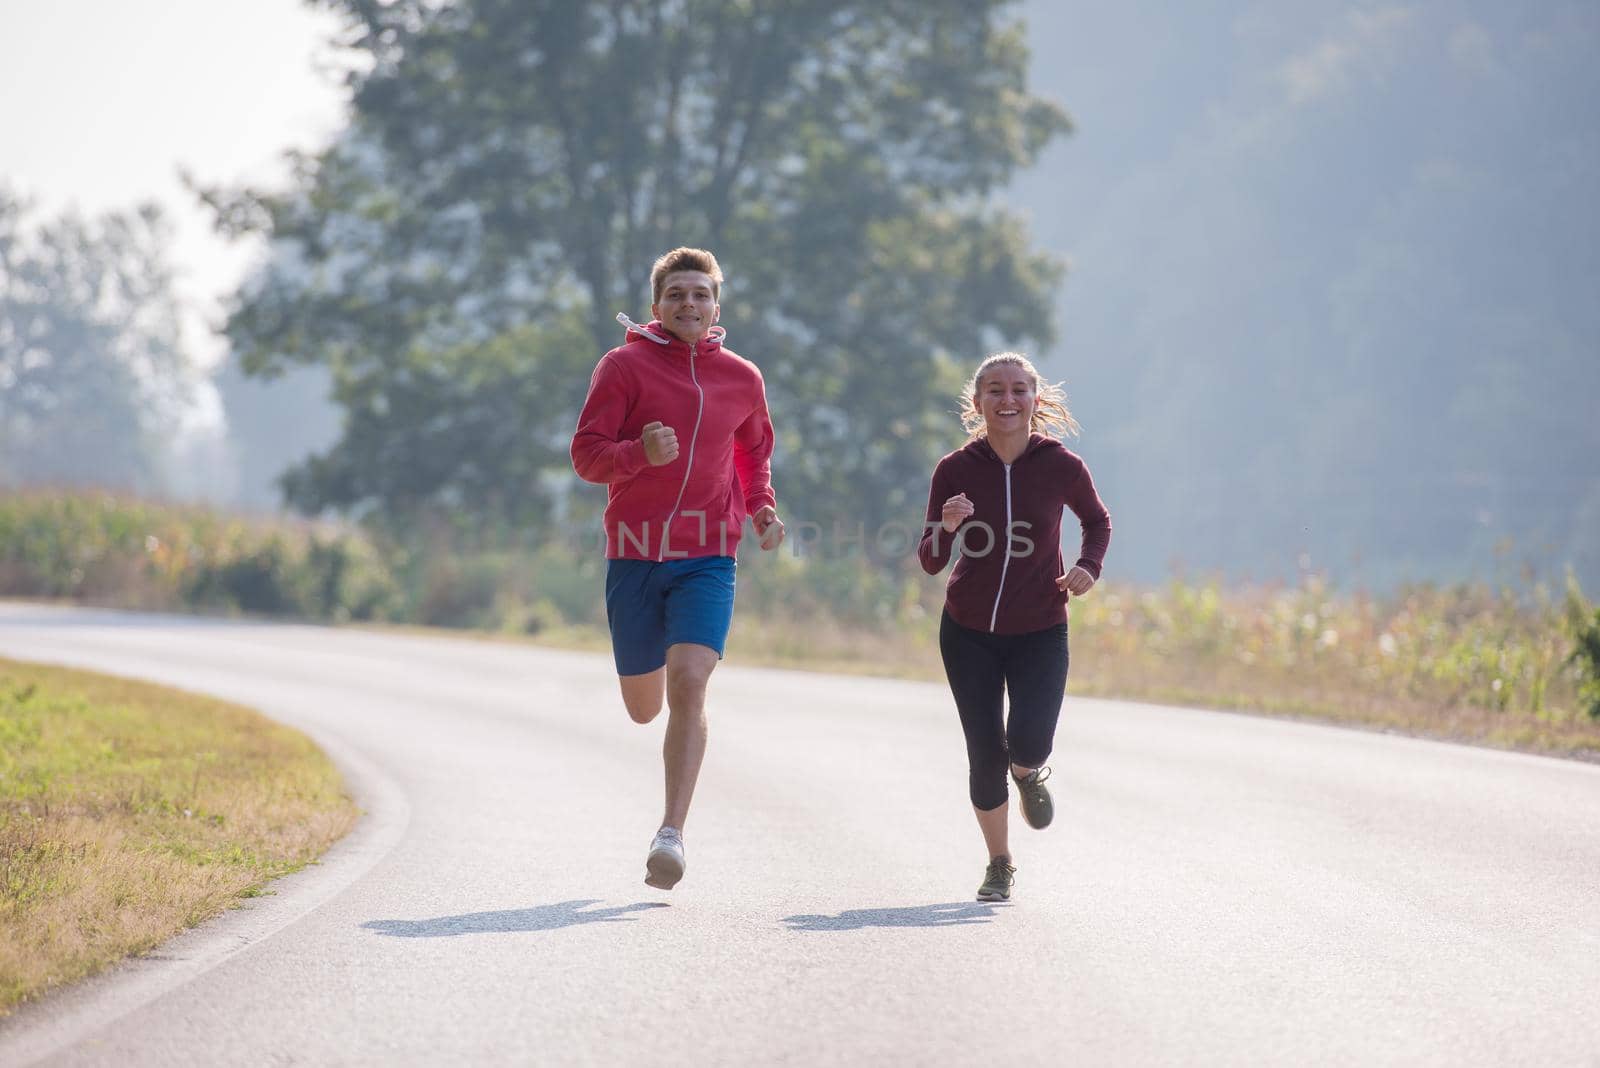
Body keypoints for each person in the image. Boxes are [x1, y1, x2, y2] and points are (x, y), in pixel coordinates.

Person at [571, 247, 785, 890]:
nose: (689, 304)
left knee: (690, 680)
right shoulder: (623, 366)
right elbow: (586, 455)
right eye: (676, 295)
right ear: (656, 305)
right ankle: (652, 710)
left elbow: (753, 453)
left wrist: (763, 509)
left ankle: (671, 834)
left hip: (708, 556)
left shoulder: (743, 378)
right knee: (643, 708)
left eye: (701, 294)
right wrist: (639, 453)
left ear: (717, 306)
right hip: (634, 552)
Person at [916, 352, 1111, 902]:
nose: (1008, 400)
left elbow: (1096, 521)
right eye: (995, 391)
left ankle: (1028, 774)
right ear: (976, 403)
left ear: (1035, 399)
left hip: (1041, 627)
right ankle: (999, 862)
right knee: (984, 752)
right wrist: (947, 527)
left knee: (1028, 743)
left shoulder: (1061, 465)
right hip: (968, 630)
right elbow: (931, 560)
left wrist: (1087, 566)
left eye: (1019, 390)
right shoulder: (955, 469)